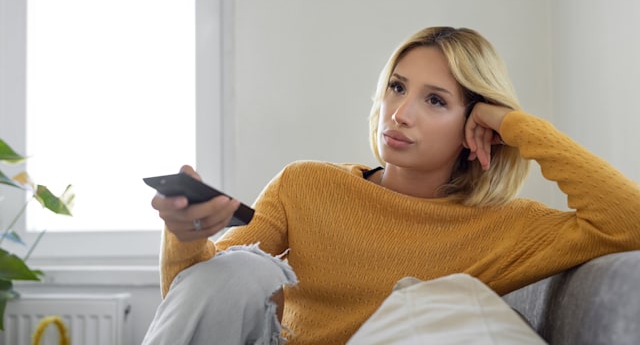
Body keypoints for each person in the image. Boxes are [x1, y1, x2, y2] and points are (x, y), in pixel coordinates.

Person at [142, 26, 640, 344]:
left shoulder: (509, 227)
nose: (399, 114)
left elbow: (629, 221)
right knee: (239, 270)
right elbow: (199, 306)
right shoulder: (305, 184)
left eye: (436, 101)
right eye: (397, 87)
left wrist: (514, 124)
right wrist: (187, 238)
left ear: (475, 128)